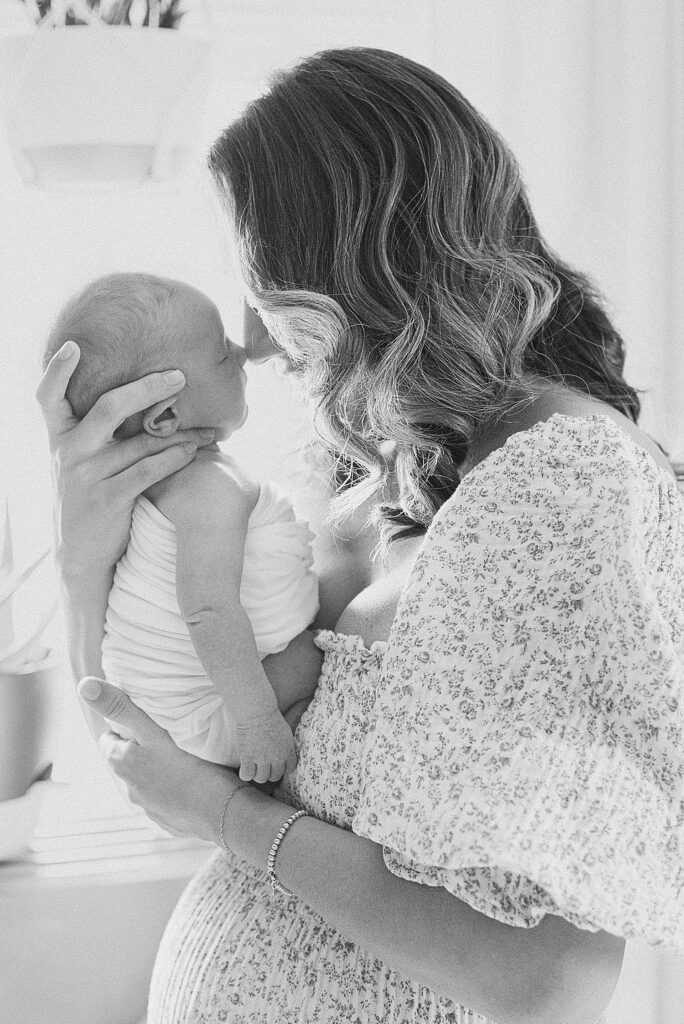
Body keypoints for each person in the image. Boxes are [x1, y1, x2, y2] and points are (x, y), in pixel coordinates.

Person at [37, 47, 684, 1024]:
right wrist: (87, 547)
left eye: (259, 282)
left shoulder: (566, 479)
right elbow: (151, 747)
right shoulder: (357, 477)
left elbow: (543, 984)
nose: (251, 340)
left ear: (359, 258)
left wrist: (223, 815)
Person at [43, 272, 320, 783]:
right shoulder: (209, 487)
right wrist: (258, 722)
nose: (242, 353)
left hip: (168, 710)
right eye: (220, 353)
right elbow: (208, 609)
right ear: (165, 416)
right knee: (316, 654)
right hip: (212, 713)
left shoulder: (150, 489)